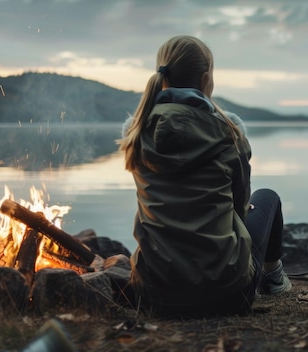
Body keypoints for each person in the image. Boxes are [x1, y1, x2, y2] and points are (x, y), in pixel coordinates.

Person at [117, 35, 291, 317]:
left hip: (155, 294)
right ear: (206, 77)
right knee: (267, 197)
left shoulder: (136, 134)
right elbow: (239, 205)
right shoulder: (229, 133)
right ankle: (273, 278)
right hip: (227, 295)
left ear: (162, 74)